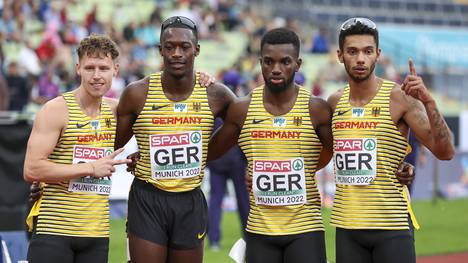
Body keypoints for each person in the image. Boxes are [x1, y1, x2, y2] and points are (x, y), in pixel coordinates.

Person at [328, 17, 455, 263]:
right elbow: (316, 154)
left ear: (378, 54)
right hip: (347, 226)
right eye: (352, 52)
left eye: (368, 51)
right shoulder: (334, 103)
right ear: (340, 55)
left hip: (391, 226)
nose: (361, 59)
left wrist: (428, 102)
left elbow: (446, 151)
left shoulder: (400, 98)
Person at [114, 16, 235, 263]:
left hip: (189, 198)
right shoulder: (137, 93)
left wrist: (207, 154)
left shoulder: (216, 94)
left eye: (184, 47)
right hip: (148, 197)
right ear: (160, 50)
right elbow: (112, 143)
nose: (176, 53)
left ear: (197, 50)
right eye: (169, 47)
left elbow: (243, 122)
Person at [208, 27, 333, 263]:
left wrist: (306, 168)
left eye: (285, 62)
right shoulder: (242, 109)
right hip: (260, 230)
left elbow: (337, 150)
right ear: (260, 63)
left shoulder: (316, 109)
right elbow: (208, 152)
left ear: (298, 63)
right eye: (268, 62)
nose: (276, 69)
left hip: (305, 228)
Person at [23, 34, 131, 263]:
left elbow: (165, 110)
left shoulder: (118, 110)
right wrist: (90, 168)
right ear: (78, 69)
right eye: (90, 68)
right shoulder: (55, 110)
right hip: (54, 232)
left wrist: (202, 80)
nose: (97, 76)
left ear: (116, 70)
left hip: (97, 234)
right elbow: (32, 169)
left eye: (104, 68)